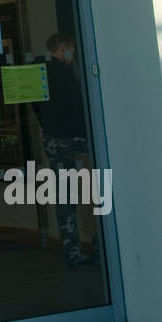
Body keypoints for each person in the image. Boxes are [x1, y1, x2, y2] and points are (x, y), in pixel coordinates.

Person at [36, 34, 97, 267]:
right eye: (70, 50)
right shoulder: (64, 75)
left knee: (65, 196)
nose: (72, 55)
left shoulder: (39, 72)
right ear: (64, 49)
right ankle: (95, 245)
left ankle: (72, 248)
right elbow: (78, 107)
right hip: (74, 142)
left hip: (53, 142)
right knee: (92, 193)